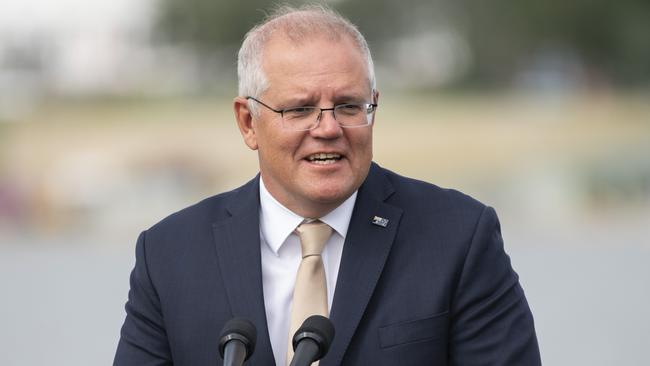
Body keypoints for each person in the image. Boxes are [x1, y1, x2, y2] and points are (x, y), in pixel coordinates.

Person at [114, 5, 541, 366]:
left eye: (349, 105)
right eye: (300, 109)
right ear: (248, 123)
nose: (329, 127)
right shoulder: (169, 256)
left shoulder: (459, 238)